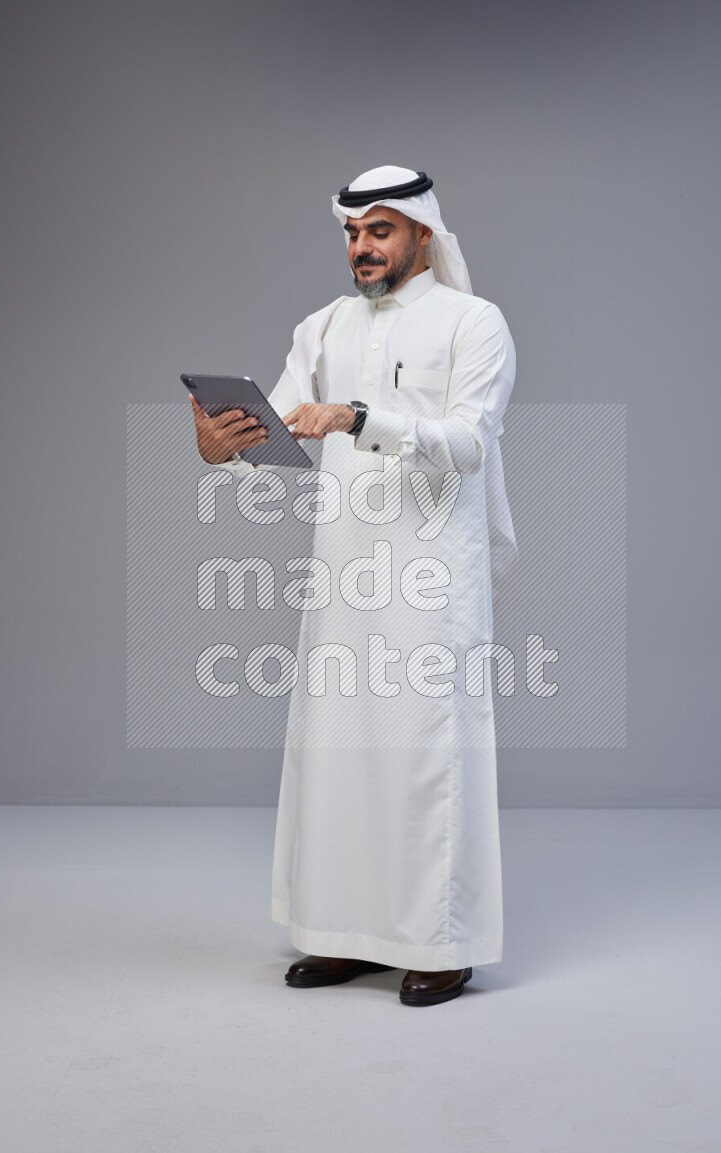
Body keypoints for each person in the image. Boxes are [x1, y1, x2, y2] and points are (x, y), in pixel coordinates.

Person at [190, 166, 517, 1006]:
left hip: (433, 577)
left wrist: (360, 418)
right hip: (343, 574)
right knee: (338, 751)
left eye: (379, 230)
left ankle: (440, 942)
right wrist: (218, 439)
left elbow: (470, 442)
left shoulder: (473, 323)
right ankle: (342, 935)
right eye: (350, 232)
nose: (361, 247)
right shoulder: (325, 327)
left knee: (425, 757)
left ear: (422, 235)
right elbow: (277, 427)